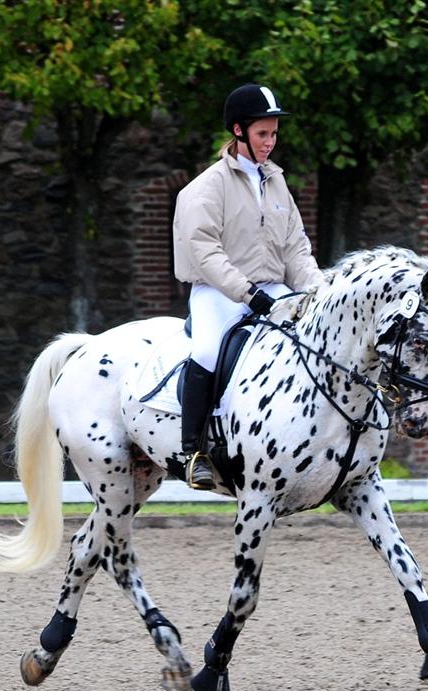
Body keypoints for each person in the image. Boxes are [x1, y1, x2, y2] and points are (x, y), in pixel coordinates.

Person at [172, 83, 324, 491]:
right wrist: (246, 293)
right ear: (239, 131)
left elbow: (296, 248)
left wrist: (319, 291)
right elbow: (206, 252)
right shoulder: (205, 188)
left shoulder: (277, 184)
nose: (270, 142)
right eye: (263, 134)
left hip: (272, 288)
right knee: (206, 351)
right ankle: (194, 452)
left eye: (274, 134)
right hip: (219, 292)